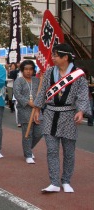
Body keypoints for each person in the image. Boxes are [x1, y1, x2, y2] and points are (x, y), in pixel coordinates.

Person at [34, 44, 91, 193]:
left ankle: (66, 180)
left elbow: (83, 94)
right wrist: (37, 108)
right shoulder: (49, 72)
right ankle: (54, 182)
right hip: (50, 114)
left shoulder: (78, 74)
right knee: (52, 150)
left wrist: (81, 111)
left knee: (69, 152)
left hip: (69, 116)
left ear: (65, 57)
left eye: (55, 55)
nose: (52, 58)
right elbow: (42, 92)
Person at [13, 60, 42, 164]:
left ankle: (28, 148)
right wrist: (30, 103)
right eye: (26, 69)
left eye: (30, 69)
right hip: (24, 110)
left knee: (39, 132)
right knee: (27, 133)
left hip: (37, 110)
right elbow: (17, 94)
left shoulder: (37, 80)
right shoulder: (19, 81)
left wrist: (37, 107)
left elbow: (41, 94)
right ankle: (28, 154)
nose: (28, 71)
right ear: (22, 70)